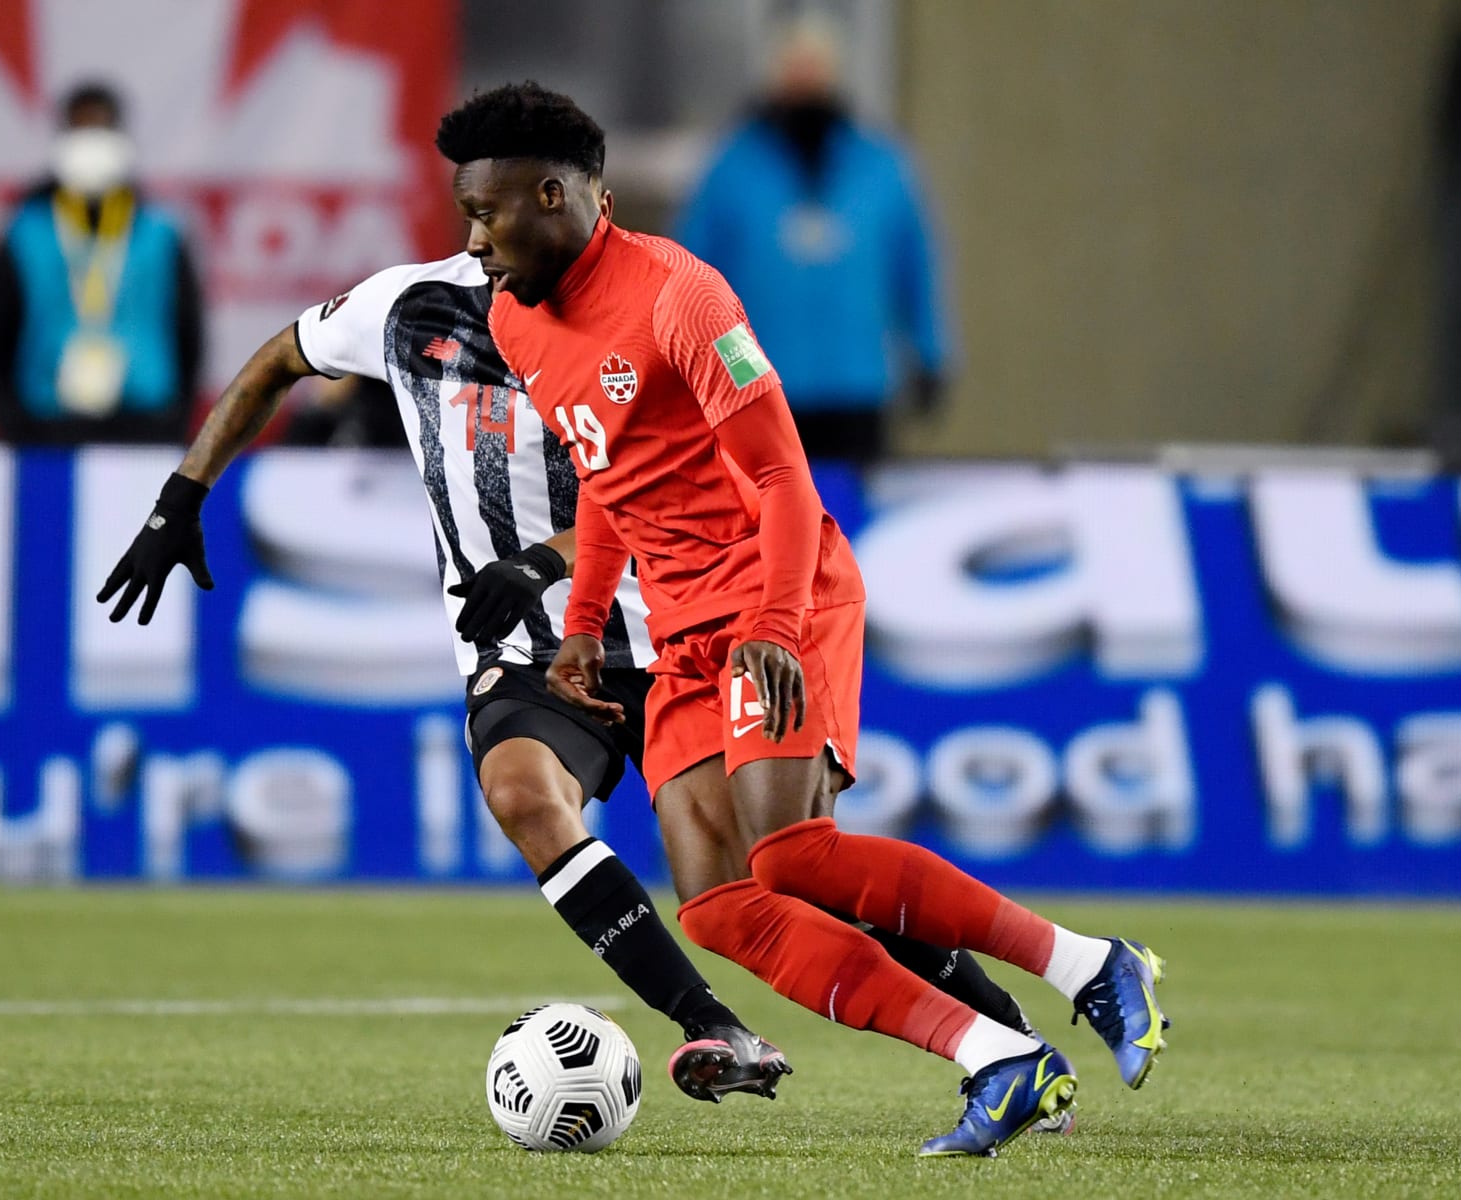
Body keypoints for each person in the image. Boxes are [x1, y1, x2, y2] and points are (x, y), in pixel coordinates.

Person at [94, 208, 1060, 1110]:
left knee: (785, 873)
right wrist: (180, 499)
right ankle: (712, 1025)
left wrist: (543, 562)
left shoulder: (638, 314)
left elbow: (663, 482)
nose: (487, 234)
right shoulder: (405, 308)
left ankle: (1005, 1030)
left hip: (676, 622)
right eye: (476, 208)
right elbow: (277, 360)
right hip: (533, 644)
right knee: (521, 793)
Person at [441, 80, 1168, 1157]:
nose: (474, 239)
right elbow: (610, 475)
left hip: (779, 594)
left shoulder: (684, 297)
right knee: (723, 907)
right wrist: (585, 619)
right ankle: (999, 1058)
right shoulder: (514, 316)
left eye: (485, 213)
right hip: (680, 628)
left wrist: (776, 626)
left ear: (553, 195)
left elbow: (783, 477)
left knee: (795, 858)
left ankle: (1086, 965)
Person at [675, 15, 949, 465]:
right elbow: (692, 280)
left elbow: (914, 265)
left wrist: (929, 352)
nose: (804, 78)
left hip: (857, 381)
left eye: (815, 64)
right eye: (793, 65)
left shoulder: (880, 167)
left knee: (848, 519)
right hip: (755, 383)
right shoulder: (730, 169)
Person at [0, 82, 204, 445]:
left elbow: (189, 334)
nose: (91, 143)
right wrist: (13, 425)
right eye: (81, 129)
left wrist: (176, 421)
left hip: (145, 425)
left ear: (122, 138)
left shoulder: (161, 231)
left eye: (101, 129)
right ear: (62, 137)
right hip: (46, 426)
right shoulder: (25, 231)